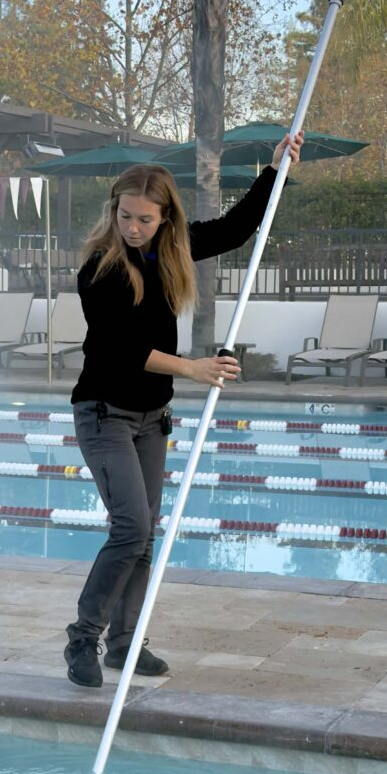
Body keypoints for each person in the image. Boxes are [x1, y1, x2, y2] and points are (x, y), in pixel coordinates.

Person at [63, 136, 303, 688]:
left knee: (144, 536)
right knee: (130, 528)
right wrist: (194, 368)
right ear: (114, 212)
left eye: (145, 218)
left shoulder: (172, 250)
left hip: (151, 418)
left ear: (165, 216)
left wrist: (276, 168)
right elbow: (119, 350)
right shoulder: (101, 269)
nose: (133, 227)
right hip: (104, 414)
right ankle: (83, 639)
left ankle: (125, 645)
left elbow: (239, 227)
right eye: (125, 216)